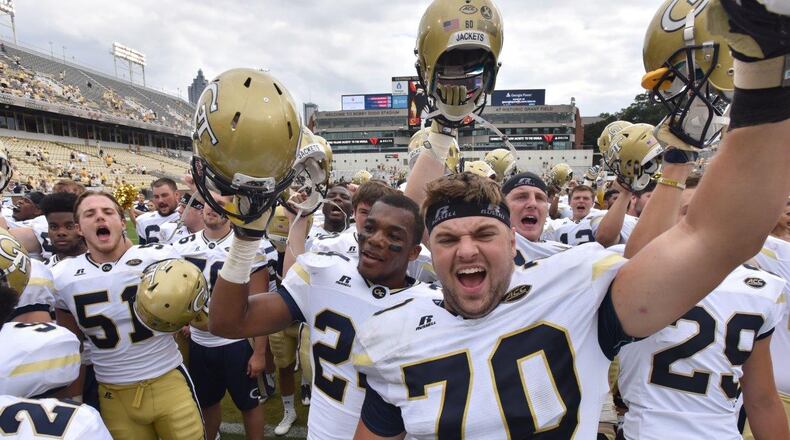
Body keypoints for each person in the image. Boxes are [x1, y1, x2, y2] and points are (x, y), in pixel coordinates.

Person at [209, 194, 441, 440]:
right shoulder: (325, 274)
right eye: (370, 228)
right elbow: (226, 322)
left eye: (394, 236)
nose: (375, 240)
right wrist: (246, 238)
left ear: (414, 252)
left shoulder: (433, 306)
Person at [616, 163, 787, 440]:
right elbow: (635, 255)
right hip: (647, 430)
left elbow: (762, 399)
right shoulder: (635, 271)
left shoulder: (760, 287)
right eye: (687, 214)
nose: (702, 223)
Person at [53, 191, 203, 440]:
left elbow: (201, 318)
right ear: (79, 228)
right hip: (112, 391)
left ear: (122, 222)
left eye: (108, 212)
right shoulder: (62, 276)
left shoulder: (160, 258)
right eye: (90, 214)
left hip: (167, 378)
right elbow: (72, 346)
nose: (100, 217)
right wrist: (76, 397)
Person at [171, 192, 273, 440]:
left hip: (235, 343)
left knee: (249, 404)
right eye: (208, 202)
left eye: (221, 204)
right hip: (199, 342)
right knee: (206, 403)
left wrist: (259, 353)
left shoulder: (249, 247)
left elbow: (260, 304)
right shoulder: (181, 247)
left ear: (233, 210)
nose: (212, 208)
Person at [133, 178, 180, 244]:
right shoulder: (143, 220)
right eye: (156, 197)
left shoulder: (189, 216)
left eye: (164, 195)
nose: (160, 200)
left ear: (176, 195)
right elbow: (142, 250)